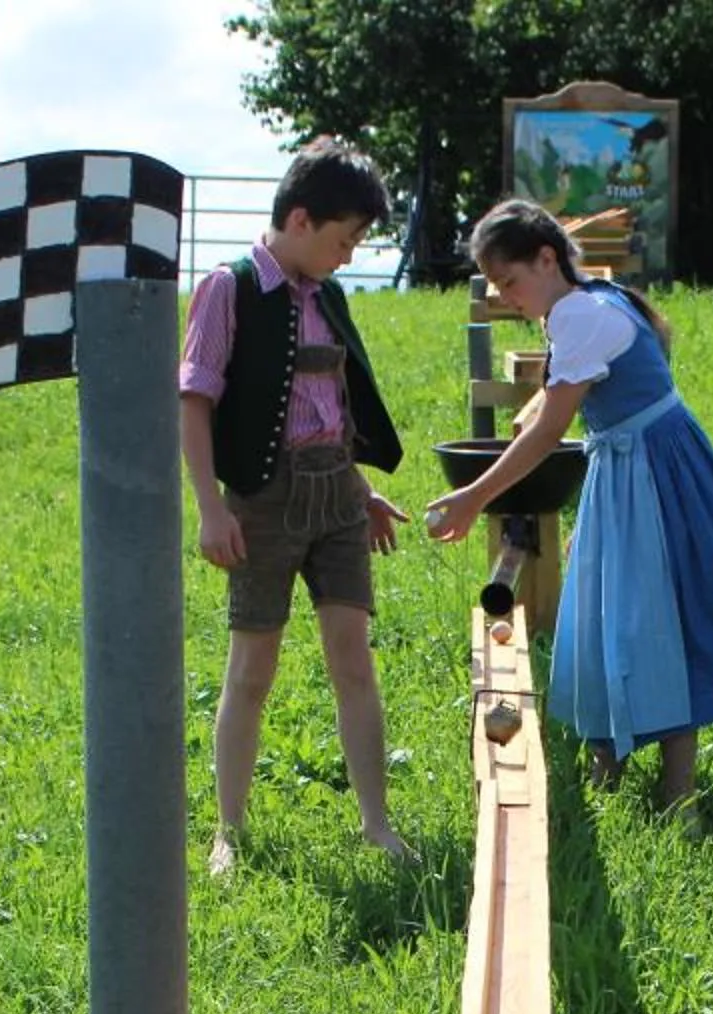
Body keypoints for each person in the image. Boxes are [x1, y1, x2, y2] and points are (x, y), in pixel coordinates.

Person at [422, 199, 713, 815]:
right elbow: (562, 408)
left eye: (511, 281)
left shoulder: (581, 314)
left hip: (653, 477)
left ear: (547, 259)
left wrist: (473, 497)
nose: (506, 297)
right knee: (615, 619)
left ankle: (675, 793)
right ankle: (616, 770)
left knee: (652, 622)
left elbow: (550, 430)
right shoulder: (595, 303)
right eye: (497, 286)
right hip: (633, 468)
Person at [179, 136, 412, 876]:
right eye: (345, 240)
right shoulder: (232, 287)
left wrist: (361, 488)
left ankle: (376, 823)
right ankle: (231, 831)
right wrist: (211, 509)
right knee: (252, 667)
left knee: (355, 661)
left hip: (339, 500)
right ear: (303, 220)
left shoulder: (330, 296)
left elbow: (332, 405)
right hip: (262, 504)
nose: (349, 256)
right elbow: (193, 400)